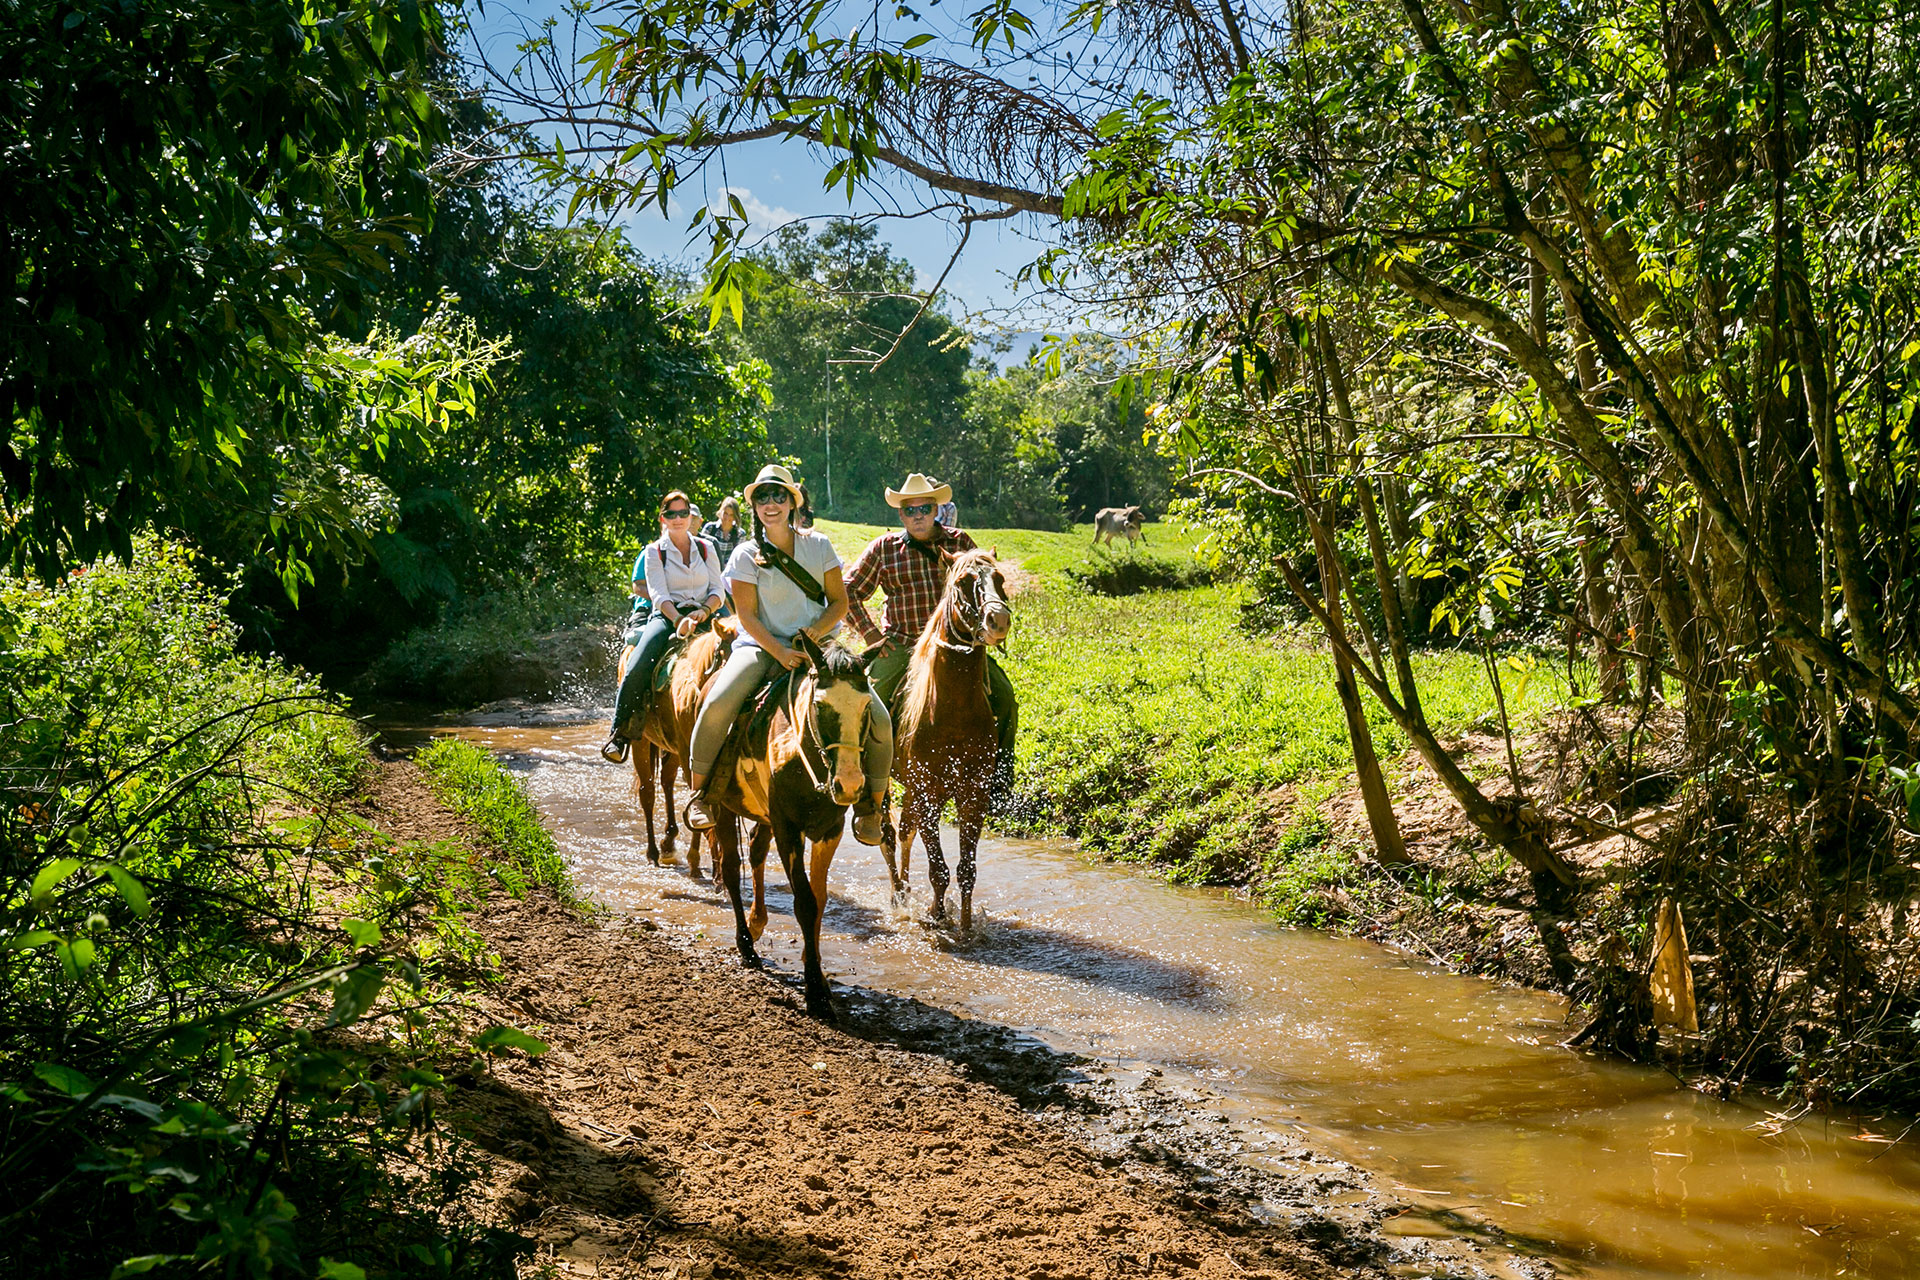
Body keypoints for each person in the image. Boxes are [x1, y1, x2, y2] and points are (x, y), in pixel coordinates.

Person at [682, 464, 894, 844]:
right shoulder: (746, 555)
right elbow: (745, 615)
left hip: (822, 650)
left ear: (793, 502)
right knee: (717, 702)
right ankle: (702, 795)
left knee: (878, 717)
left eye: (779, 496)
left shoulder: (819, 546)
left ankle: (871, 809)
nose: (771, 504)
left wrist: (815, 633)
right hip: (763, 646)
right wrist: (779, 651)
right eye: (762, 497)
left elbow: (839, 602)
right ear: (754, 506)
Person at [845, 472, 1017, 794]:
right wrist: (870, 635)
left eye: (924, 508)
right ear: (901, 514)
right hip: (903, 645)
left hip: (955, 647)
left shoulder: (961, 542)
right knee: (870, 706)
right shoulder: (885, 549)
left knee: (1005, 698)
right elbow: (848, 590)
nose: (918, 516)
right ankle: (870, 791)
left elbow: (985, 587)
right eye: (910, 510)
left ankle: (999, 782)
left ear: (936, 508)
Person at [601, 491, 726, 764]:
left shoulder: (706, 548)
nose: (678, 519)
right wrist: (679, 619)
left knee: (737, 651)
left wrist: (704, 611)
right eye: (672, 514)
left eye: (683, 513)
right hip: (668, 616)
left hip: (704, 615)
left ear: (690, 516)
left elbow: (718, 589)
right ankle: (619, 733)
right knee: (638, 662)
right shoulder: (653, 552)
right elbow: (658, 595)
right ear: (663, 518)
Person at [701, 494, 747, 563]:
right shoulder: (710, 528)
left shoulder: (740, 534)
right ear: (720, 512)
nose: (727, 518)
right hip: (710, 569)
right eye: (725, 513)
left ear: (735, 516)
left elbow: (738, 559)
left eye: (731, 515)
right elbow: (701, 551)